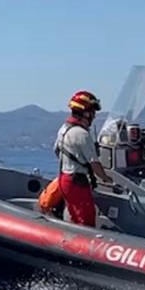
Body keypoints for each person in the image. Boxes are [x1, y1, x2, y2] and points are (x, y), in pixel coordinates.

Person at [52, 90, 113, 226]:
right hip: (77, 183)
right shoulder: (82, 134)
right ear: (85, 113)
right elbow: (94, 164)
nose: (94, 116)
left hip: (64, 179)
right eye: (92, 113)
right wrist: (106, 179)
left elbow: (56, 150)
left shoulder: (64, 129)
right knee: (86, 220)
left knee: (74, 217)